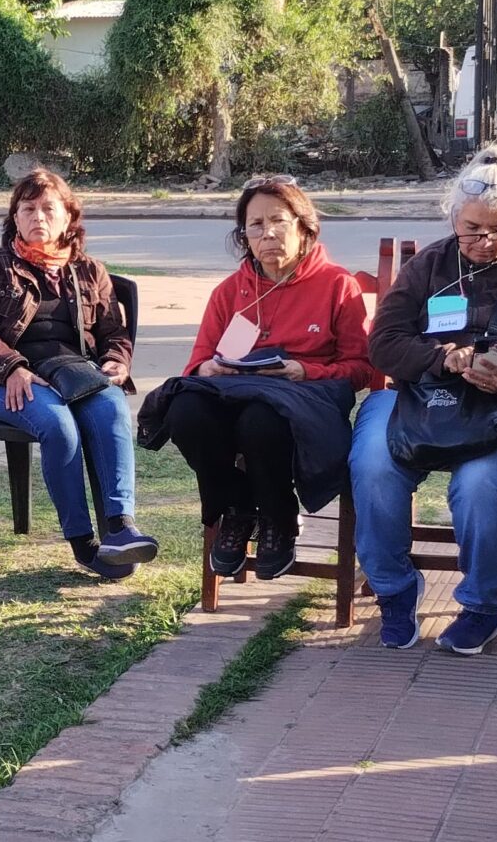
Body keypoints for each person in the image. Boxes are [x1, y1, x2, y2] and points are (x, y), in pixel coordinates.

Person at [353, 145, 497, 654]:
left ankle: (481, 606)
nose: (484, 240)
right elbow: (383, 344)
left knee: (479, 483)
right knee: (373, 466)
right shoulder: (428, 265)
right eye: (473, 228)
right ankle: (393, 591)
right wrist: (445, 360)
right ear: (455, 217)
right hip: (424, 394)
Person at [157, 176, 375, 585]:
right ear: (244, 236)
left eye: (278, 220)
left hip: (307, 397)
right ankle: (238, 507)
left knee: (261, 419)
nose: (268, 233)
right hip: (236, 392)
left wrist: (305, 370)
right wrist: (209, 369)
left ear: (303, 226)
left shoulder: (337, 285)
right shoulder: (230, 291)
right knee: (185, 411)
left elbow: (361, 368)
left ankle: (279, 517)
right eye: (255, 225)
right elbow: (197, 363)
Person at [0, 168, 156, 581]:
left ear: (68, 217)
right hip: (6, 379)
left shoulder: (89, 270)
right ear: (14, 218)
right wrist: (12, 367)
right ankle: (84, 544)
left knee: (113, 409)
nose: (38, 217)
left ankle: (120, 527)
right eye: (27, 209)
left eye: (48, 208)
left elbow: (113, 333)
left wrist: (118, 361)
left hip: (76, 374)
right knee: (59, 426)